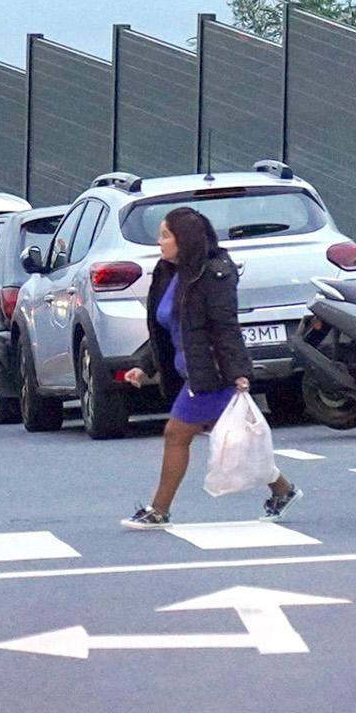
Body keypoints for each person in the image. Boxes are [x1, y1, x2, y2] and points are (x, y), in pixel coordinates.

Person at [124, 204, 296, 527]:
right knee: (240, 440)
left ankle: (159, 510)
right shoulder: (167, 273)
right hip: (190, 369)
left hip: (212, 373)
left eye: (165, 235)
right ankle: (283, 490)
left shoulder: (213, 273)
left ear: (184, 239)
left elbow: (225, 326)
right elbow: (166, 330)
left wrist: (238, 374)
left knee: (176, 434)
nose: (159, 242)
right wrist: (145, 365)